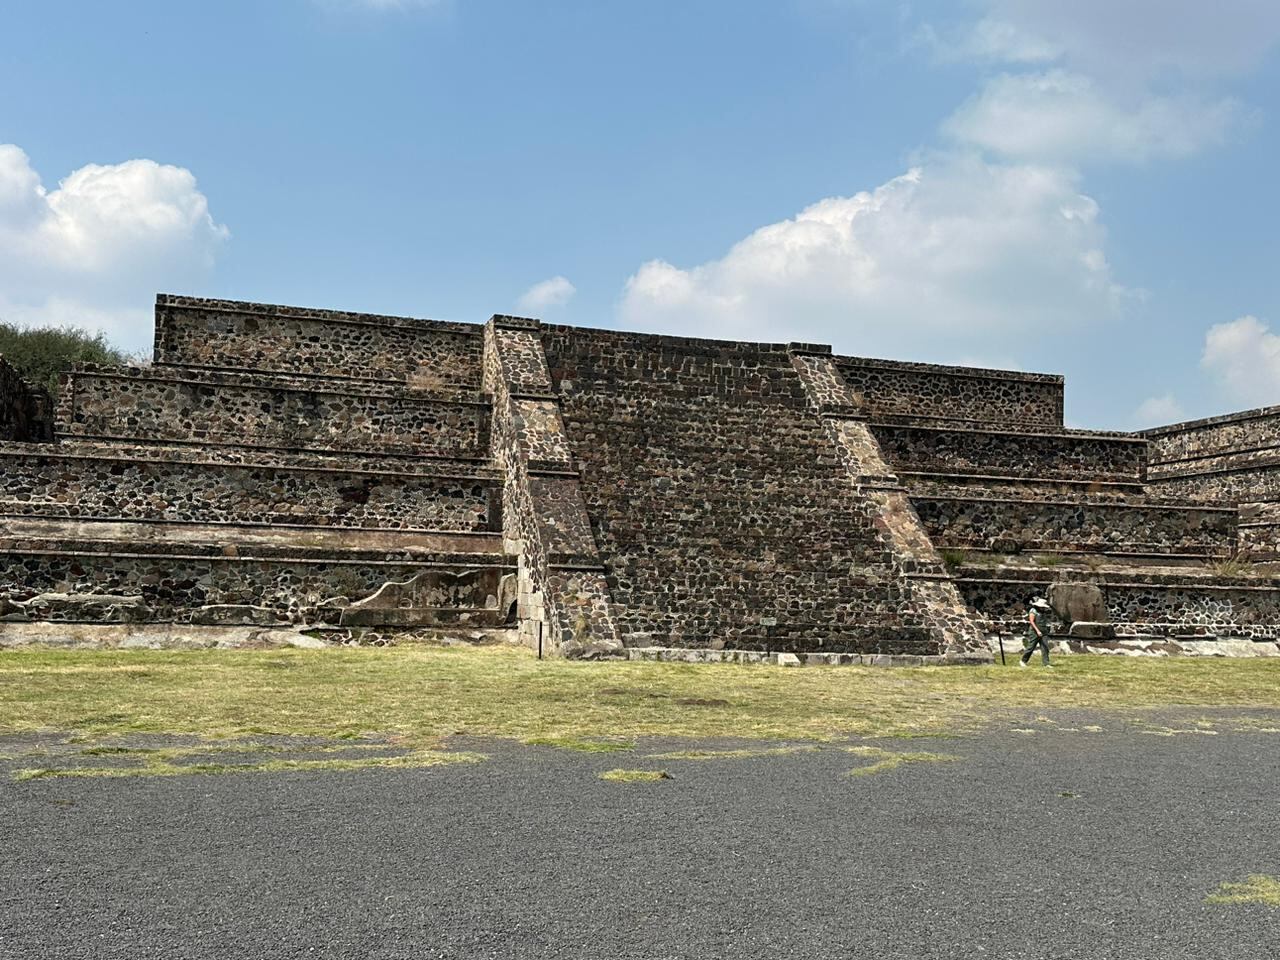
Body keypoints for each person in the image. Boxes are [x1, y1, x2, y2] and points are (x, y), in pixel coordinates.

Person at [1020, 596, 1055, 668]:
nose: (1043, 608)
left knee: (1045, 647)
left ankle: (1046, 663)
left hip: (1044, 632)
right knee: (1031, 647)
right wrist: (1037, 631)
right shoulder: (1033, 610)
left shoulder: (1043, 612)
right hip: (1034, 632)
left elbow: (1045, 621)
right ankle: (1023, 661)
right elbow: (1032, 622)